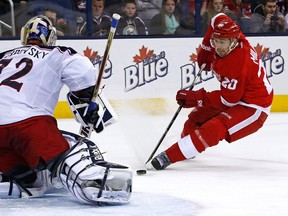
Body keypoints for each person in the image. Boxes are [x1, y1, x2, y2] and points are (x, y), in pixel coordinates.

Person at [0, 15, 132, 204]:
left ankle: (22, 178)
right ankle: (94, 181)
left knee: (27, 179)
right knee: (69, 148)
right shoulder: (58, 52)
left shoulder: (3, 56)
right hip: (28, 125)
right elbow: (84, 74)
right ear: (50, 36)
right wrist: (87, 100)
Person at [149, 13, 273, 170]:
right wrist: (206, 49)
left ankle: (169, 156)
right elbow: (218, 18)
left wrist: (196, 97)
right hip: (236, 94)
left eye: (222, 42)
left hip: (253, 107)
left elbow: (228, 100)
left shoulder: (237, 63)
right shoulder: (232, 34)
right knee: (196, 117)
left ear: (234, 41)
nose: (218, 46)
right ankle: (187, 147)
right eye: (216, 41)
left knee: (215, 127)